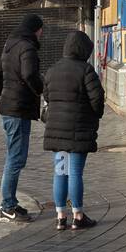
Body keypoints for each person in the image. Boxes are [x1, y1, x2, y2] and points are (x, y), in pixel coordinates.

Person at [42, 31, 105, 231]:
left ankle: (60, 216)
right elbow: (97, 100)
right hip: (79, 131)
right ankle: (78, 216)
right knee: (75, 172)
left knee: (60, 172)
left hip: (57, 132)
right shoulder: (86, 71)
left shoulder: (52, 71)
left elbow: (47, 97)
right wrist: (94, 115)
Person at [0, 13, 44, 223]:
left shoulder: (10, 46)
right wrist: (40, 90)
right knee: (15, 159)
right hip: (18, 110)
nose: (41, 34)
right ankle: (7, 206)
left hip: (8, 109)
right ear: (35, 30)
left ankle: (9, 202)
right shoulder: (27, 48)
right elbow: (30, 75)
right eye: (41, 30)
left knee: (14, 157)